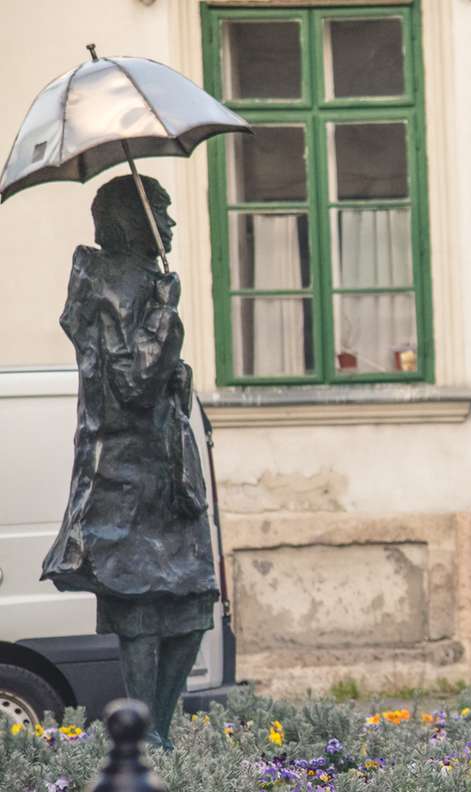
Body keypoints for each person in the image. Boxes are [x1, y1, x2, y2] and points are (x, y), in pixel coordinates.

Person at [42, 174, 218, 749]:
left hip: (167, 472)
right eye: (158, 211)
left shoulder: (145, 280)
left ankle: (158, 733)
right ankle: (145, 740)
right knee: (140, 608)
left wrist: (176, 368)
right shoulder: (109, 285)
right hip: (126, 473)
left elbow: (160, 382)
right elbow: (134, 384)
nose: (169, 222)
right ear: (130, 220)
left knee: (193, 604)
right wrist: (165, 313)